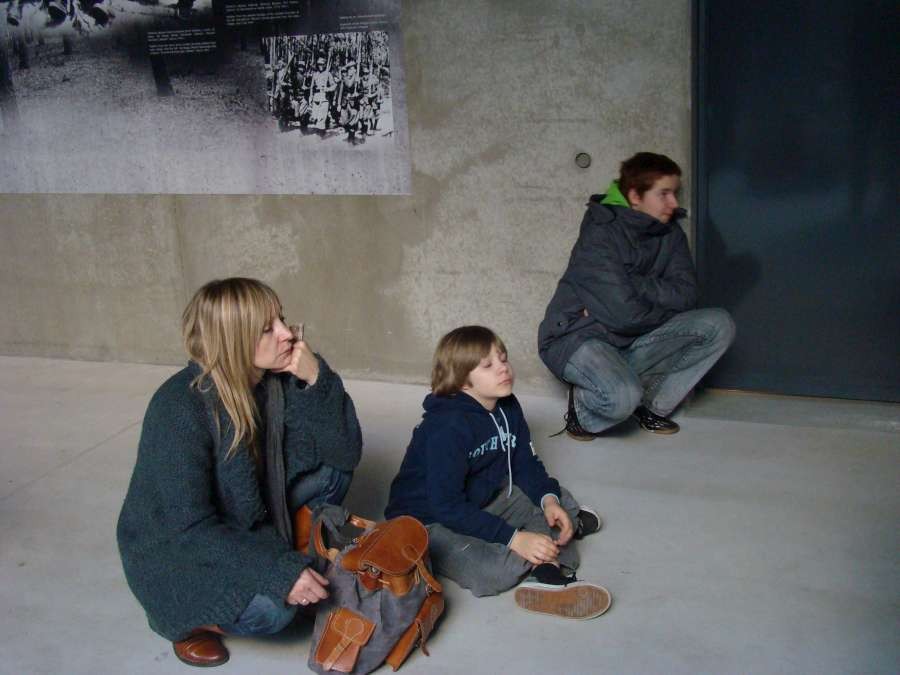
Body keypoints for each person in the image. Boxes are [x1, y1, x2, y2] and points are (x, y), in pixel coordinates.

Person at [117, 278, 362, 667]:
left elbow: (345, 451)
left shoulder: (276, 378)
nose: (286, 334)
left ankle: (294, 552)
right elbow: (189, 529)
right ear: (233, 340)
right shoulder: (178, 408)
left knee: (333, 472)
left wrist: (318, 379)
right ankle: (189, 625)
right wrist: (277, 570)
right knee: (273, 611)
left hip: (255, 510)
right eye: (267, 329)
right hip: (181, 549)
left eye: (281, 319)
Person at [384, 326, 610, 620]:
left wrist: (549, 501)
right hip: (428, 520)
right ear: (461, 378)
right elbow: (447, 506)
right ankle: (552, 550)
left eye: (503, 359)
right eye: (488, 365)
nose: (503, 368)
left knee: (555, 500)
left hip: (483, 497)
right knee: (491, 573)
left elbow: (525, 464)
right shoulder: (446, 428)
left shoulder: (508, 406)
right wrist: (515, 539)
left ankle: (546, 572)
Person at [538, 152, 735, 439]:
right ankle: (582, 413)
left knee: (718, 324)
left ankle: (651, 407)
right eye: (664, 194)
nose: (674, 203)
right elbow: (625, 315)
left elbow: (688, 294)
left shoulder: (670, 233)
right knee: (622, 397)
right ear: (634, 196)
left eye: (675, 193)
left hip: (629, 335)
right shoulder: (601, 233)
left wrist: (635, 285)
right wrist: (658, 304)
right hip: (579, 336)